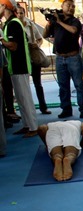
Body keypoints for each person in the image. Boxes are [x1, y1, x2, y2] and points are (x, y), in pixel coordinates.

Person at [43, 0, 83, 119]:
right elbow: (44, 35)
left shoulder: (75, 21)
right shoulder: (56, 21)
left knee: (79, 84)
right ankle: (66, 109)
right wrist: (49, 23)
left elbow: (73, 30)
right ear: (62, 6)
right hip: (59, 58)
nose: (71, 8)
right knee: (63, 86)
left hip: (73, 57)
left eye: (73, 6)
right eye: (68, 5)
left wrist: (59, 21)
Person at [0, 0, 38, 138]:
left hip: (20, 66)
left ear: (5, 7)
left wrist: (1, 41)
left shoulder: (13, 24)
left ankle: (33, 127)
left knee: (25, 98)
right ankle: (27, 125)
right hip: (15, 67)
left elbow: (13, 46)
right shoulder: (10, 24)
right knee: (21, 99)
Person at [16, 6, 50, 115]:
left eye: (21, 13)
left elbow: (40, 39)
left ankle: (43, 107)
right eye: (18, 13)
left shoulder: (31, 25)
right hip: (21, 58)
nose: (20, 15)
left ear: (24, 13)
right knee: (23, 86)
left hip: (33, 57)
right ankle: (26, 110)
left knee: (37, 84)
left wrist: (37, 45)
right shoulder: (13, 26)